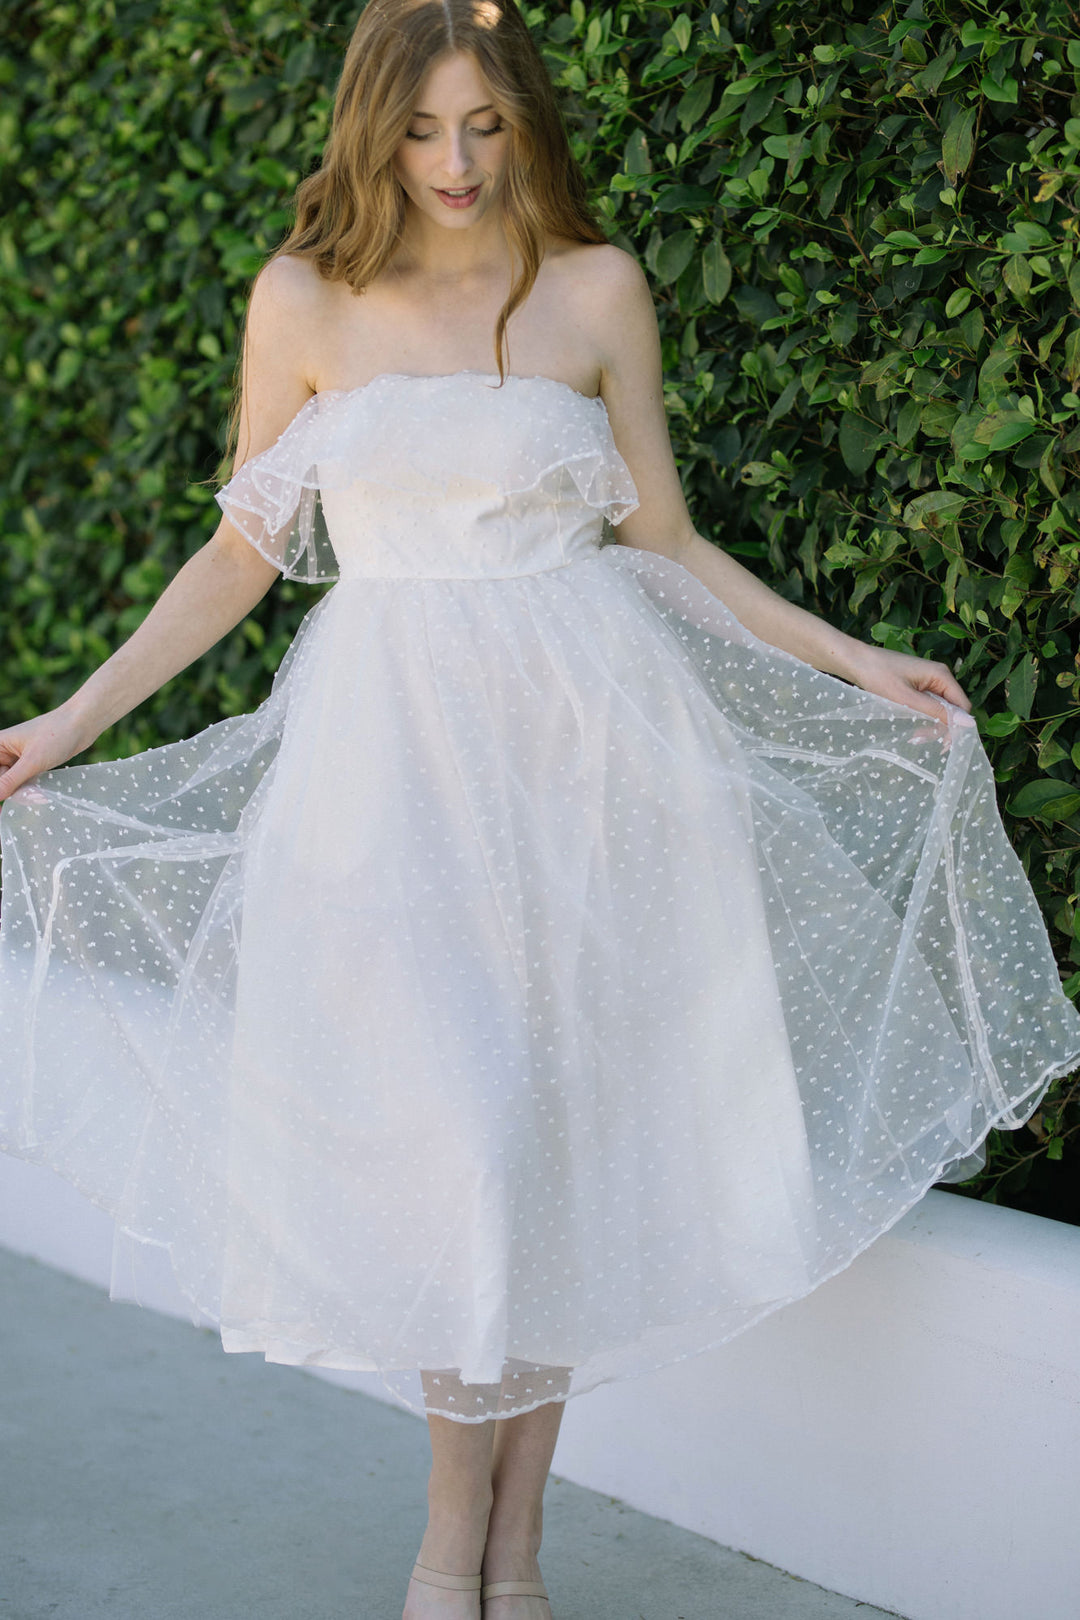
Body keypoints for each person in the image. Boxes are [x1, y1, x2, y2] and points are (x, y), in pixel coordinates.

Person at [1, 2, 1078, 1616]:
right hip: (390, 776)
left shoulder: (596, 287)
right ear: (372, 128)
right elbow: (239, 553)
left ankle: (515, 1559)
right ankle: (452, 1549)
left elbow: (667, 541)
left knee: (565, 1143)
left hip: (595, 760)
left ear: (525, 125)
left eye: (485, 127)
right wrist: (69, 718)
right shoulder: (303, 298)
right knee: (462, 1143)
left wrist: (855, 660)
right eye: (423, 129)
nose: (455, 161)